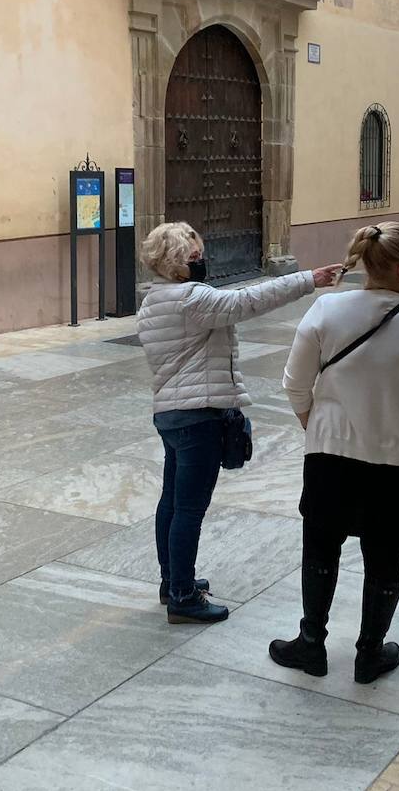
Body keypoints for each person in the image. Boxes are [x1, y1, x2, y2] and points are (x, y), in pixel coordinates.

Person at [272, 223, 399, 684]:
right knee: (385, 556)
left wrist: (313, 423)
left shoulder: (326, 310)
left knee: (320, 546)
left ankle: (311, 643)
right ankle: (369, 653)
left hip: (331, 452)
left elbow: (295, 384)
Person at [138, 222, 343, 624]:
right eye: (194, 257)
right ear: (176, 262)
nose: (202, 261)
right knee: (189, 510)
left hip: (171, 414)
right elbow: (248, 300)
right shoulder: (192, 298)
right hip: (199, 416)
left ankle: (172, 581)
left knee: (172, 502)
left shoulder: (153, 300)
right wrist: (309, 280)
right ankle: (183, 596)